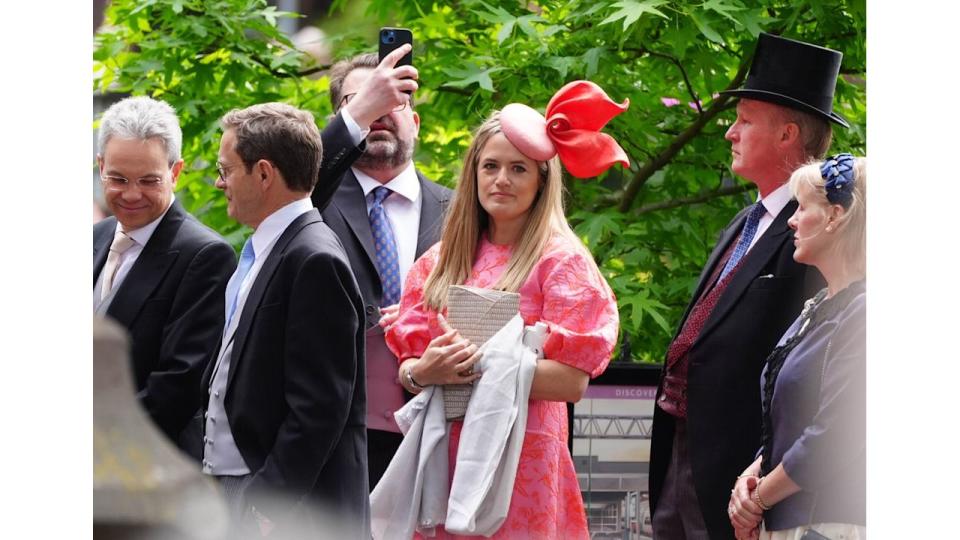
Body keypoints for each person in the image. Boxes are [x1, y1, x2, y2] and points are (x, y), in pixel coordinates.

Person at [382, 81, 627, 539]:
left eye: (518, 169)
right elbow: (408, 368)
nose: (501, 179)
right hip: (445, 455)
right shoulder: (438, 262)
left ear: (541, 181)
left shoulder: (562, 261)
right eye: (490, 166)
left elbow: (573, 381)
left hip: (523, 458)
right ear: (473, 173)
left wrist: (481, 362)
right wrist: (424, 371)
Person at [649, 32, 847, 539]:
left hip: (743, 472)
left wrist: (766, 478)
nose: (729, 134)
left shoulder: (817, 233)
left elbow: (809, 362)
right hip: (681, 450)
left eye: (744, 121)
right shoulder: (743, 221)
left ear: (785, 135)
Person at [199, 103, 368, 537]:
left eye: (226, 169)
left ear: (263, 174)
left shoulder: (313, 258)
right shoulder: (270, 247)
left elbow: (320, 405)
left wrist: (270, 500)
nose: (219, 182)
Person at [311, 44, 453, 489]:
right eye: (364, 101)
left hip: (441, 433)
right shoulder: (311, 202)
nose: (381, 109)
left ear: (415, 121)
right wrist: (355, 117)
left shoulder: (464, 211)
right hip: (336, 441)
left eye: (395, 100)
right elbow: (295, 183)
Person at [728, 154, 866, 540]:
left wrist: (756, 501)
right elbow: (788, 424)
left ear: (835, 216)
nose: (791, 219)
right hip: (790, 522)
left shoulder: (866, 310)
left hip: (829, 525)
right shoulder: (818, 307)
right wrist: (749, 477)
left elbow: (835, 435)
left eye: (803, 208)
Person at [93, 96, 236, 445]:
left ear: (175, 172)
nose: (130, 194)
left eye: (148, 180)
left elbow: (178, 384)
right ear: (100, 167)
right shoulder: (92, 237)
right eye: (118, 178)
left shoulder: (205, 256)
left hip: (144, 464)